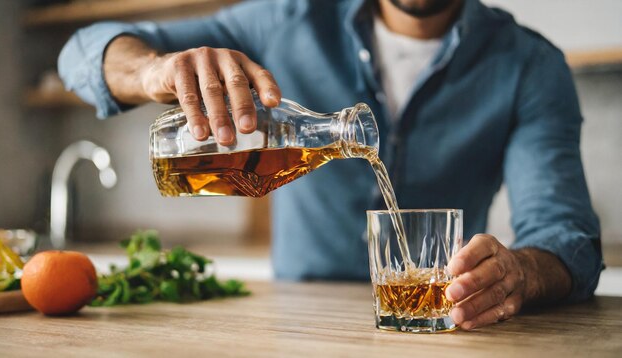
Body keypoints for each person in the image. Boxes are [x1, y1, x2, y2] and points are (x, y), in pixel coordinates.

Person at [58, 0, 602, 330]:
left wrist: (520, 274)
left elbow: (568, 238)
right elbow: (80, 53)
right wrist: (150, 70)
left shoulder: (529, 64)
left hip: (444, 333)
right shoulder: (285, 22)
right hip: (294, 333)